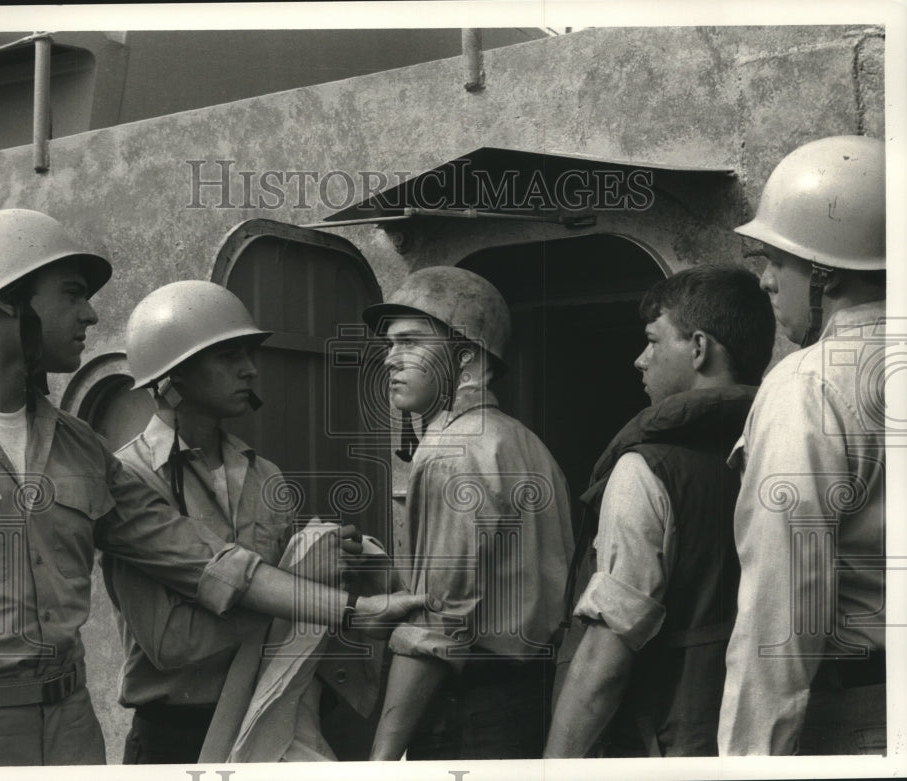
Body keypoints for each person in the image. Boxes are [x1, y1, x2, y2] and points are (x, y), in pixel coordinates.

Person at [0, 209, 425, 767]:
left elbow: (207, 562)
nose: (92, 313)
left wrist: (353, 612)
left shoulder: (82, 449)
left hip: (70, 727)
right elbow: (171, 640)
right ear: (7, 300)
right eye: (73, 294)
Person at [105, 280, 370, 763]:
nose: (250, 369)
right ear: (173, 375)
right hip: (177, 736)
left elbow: (290, 614)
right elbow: (172, 645)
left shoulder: (263, 473)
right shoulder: (130, 479)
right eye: (228, 357)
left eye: (249, 354)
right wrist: (301, 583)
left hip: (264, 717)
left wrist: (327, 555)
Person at [544, 265, 775, 757]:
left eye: (653, 341)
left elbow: (607, 658)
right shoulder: (782, 448)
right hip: (762, 733)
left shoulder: (644, 470)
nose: (639, 359)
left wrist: (552, 767)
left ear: (698, 348)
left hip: (666, 743)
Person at [362, 266, 575, 760]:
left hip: (467, 714)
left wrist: (381, 760)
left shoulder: (448, 453)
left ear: (468, 360)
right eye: (389, 345)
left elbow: (440, 626)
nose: (391, 360)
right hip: (528, 700)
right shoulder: (524, 441)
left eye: (410, 342)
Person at [717, 135, 887, 755]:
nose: (764, 281)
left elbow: (784, 607)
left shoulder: (809, 383)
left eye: (775, 260)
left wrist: (749, 762)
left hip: (865, 716)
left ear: (824, 273)